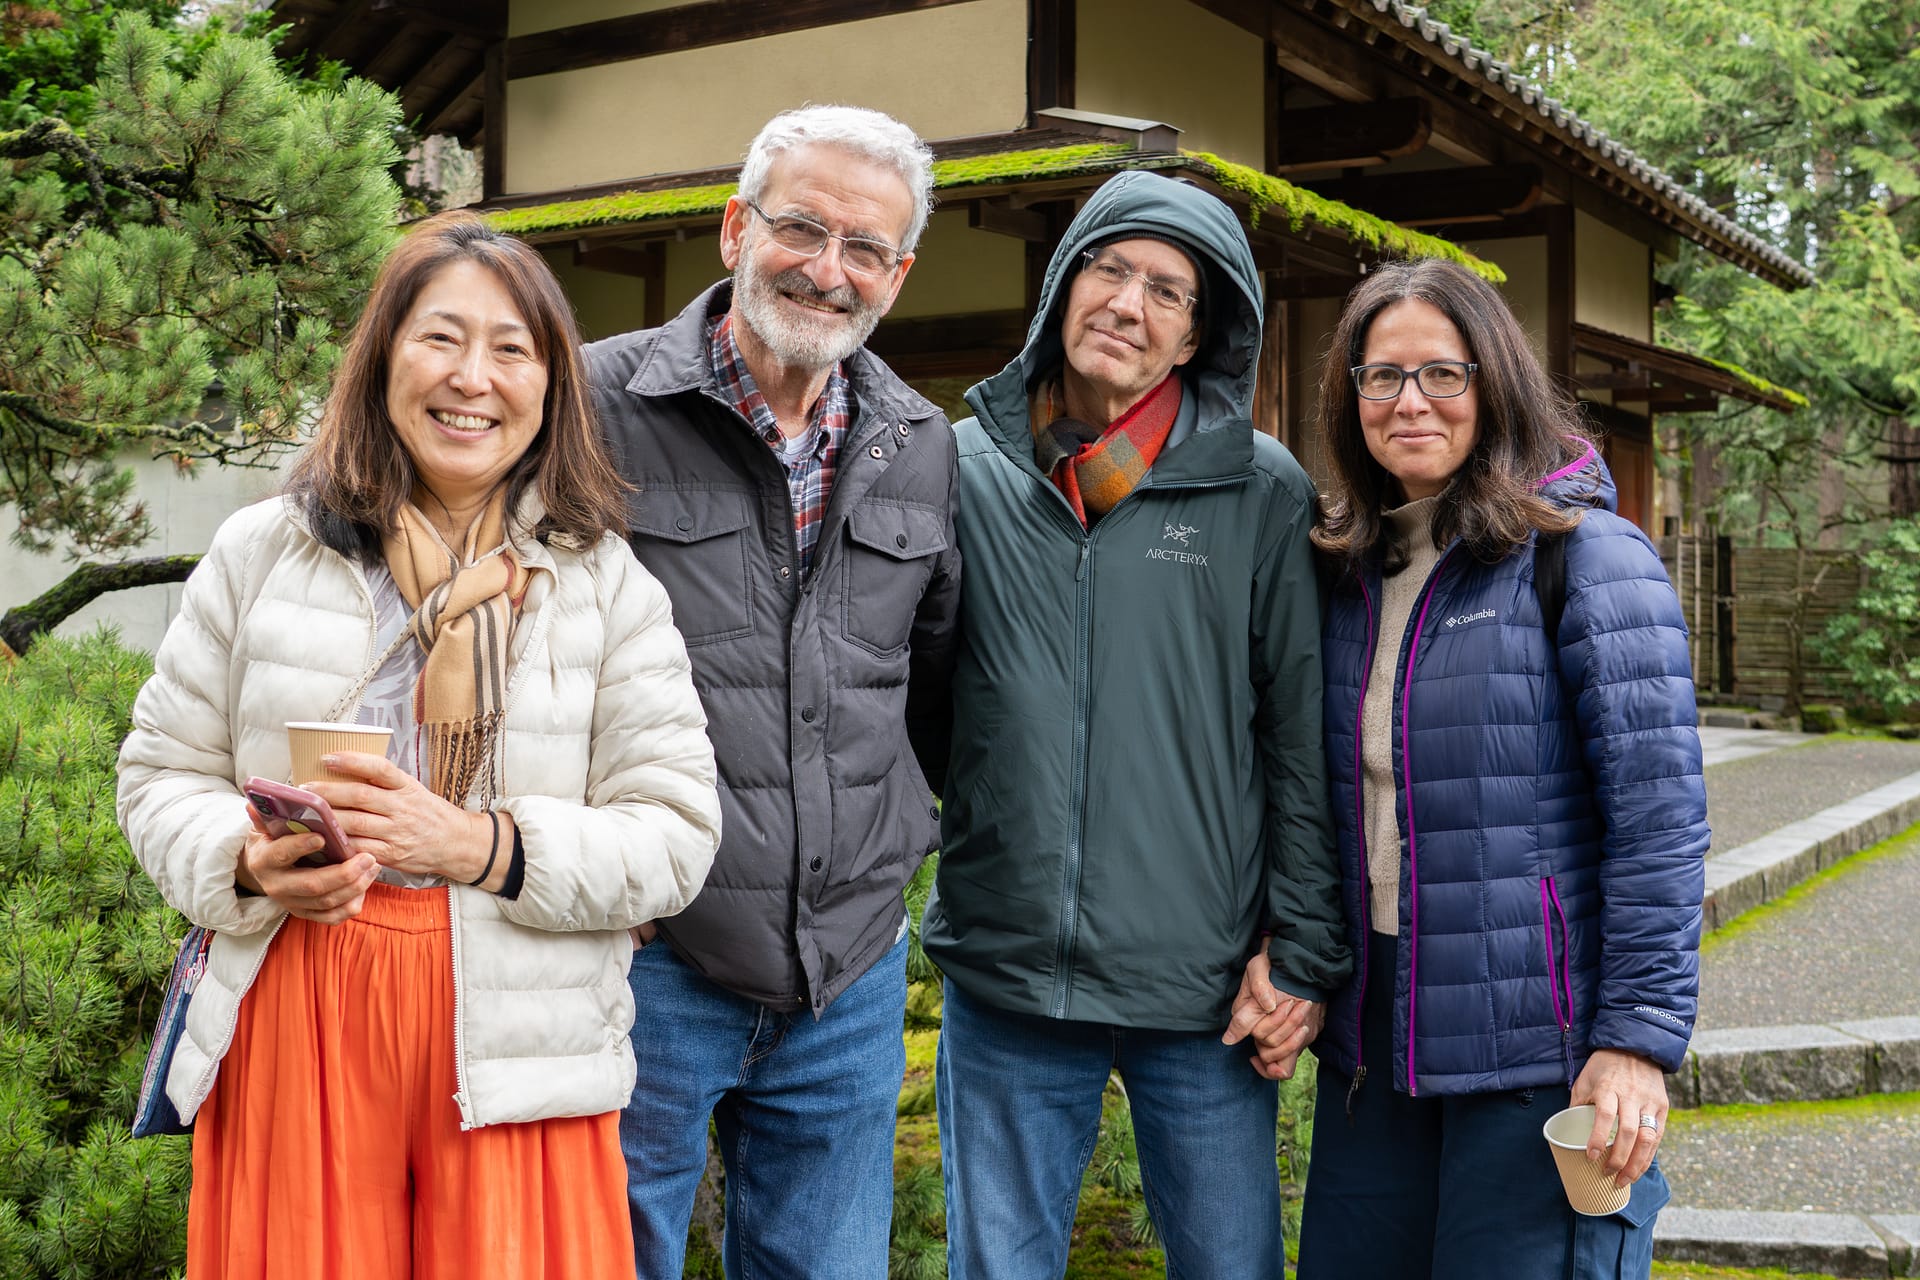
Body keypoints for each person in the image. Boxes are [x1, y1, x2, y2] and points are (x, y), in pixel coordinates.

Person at [116, 211, 723, 1279]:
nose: (472, 377)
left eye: (511, 349)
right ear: (385, 356)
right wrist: (249, 863)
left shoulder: (604, 586)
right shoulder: (265, 550)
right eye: (441, 337)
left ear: (551, 386)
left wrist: (480, 844)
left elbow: (675, 832)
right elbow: (162, 771)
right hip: (297, 1008)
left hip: (520, 1034)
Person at [920, 169, 1350, 1280]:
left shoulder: (1260, 491)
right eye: (1110, 268)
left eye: (1168, 289)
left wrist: (1299, 951)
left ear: (1199, 334)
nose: (1130, 302)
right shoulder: (963, 470)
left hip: (1201, 988)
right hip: (1007, 973)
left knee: (1232, 1260)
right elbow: (926, 702)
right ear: (1065, 285)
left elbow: (1301, 742)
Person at [585, 104, 960, 1278]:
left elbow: (937, 684)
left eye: (865, 249)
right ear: (735, 229)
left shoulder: (918, 440)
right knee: (606, 1257)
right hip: (645, 956)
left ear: (897, 277)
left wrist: (897, 856)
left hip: (846, 977)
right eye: (803, 226)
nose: (827, 269)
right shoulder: (591, 406)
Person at [1289, 257, 1708, 1279]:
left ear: (1496, 381)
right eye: (1381, 375)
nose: (1410, 400)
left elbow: (1660, 821)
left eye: (1443, 372)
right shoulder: (1344, 569)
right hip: (1374, 1054)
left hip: (1539, 1049)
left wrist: (1637, 1041)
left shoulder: (1587, 558)